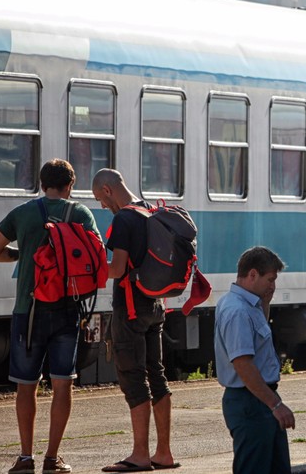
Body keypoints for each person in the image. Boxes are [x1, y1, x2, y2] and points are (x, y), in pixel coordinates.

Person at [0, 158, 100, 474]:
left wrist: (22, 255)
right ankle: (52, 458)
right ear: (70, 186)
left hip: (28, 310)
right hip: (67, 311)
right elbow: (97, 257)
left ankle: (24, 458)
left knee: (26, 385)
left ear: (40, 183)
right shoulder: (80, 214)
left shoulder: (22, 214)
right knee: (63, 385)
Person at [92, 168, 179, 473]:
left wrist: (90, 268)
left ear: (107, 190)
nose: (103, 207)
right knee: (157, 374)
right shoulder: (148, 210)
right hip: (155, 306)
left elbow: (116, 269)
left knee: (132, 376)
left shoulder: (124, 218)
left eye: (100, 200)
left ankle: (140, 455)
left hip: (130, 308)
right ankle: (164, 452)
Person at [214, 246, 296, 474]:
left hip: (257, 399)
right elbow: (243, 364)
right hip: (250, 402)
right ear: (252, 275)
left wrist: (265, 304)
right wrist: (276, 405)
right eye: (270, 279)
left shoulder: (248, 306)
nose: (273, 286)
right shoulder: (238, 311)